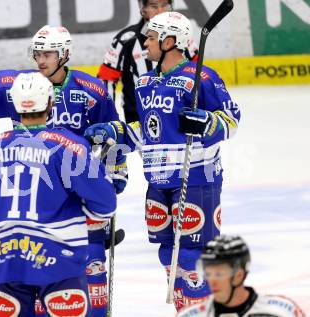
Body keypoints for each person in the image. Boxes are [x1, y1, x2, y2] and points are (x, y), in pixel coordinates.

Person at [0, 25, 127, 317]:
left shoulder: (92, 90)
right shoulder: (22, 86)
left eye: (47, 53)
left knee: (92, 274)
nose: (40, 60)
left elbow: (113, 135)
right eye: (37, 53)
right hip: (38, 197)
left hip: (80, 196)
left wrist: (116, 171)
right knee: (48, 283)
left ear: (64, 54)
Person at [84, 11, 241, 311]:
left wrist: (207, 123)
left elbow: (232, 119)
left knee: (191, 256)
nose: (146, 42)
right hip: (157, 178)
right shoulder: (145, 83)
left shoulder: (202, 77)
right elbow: (148, 130)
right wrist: (116, 132)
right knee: (167, 252)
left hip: (195, 177)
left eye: (152, 37)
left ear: (171, 41)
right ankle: (185, 308)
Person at [98, 0, 197, 124]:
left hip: (179, 121)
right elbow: (106, 80)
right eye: (154, 6)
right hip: (138, 122)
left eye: (165, 6)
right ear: (143, 9)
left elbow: (197, 74)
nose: (160, 12)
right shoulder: (125, 40)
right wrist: (109, 120)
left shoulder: (182, 37)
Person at [176, 235, 306, 317]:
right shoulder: (191, 314)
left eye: (219, 274)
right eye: (208, 274)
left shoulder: (280, 311)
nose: (212, 281)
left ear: (239, 275)